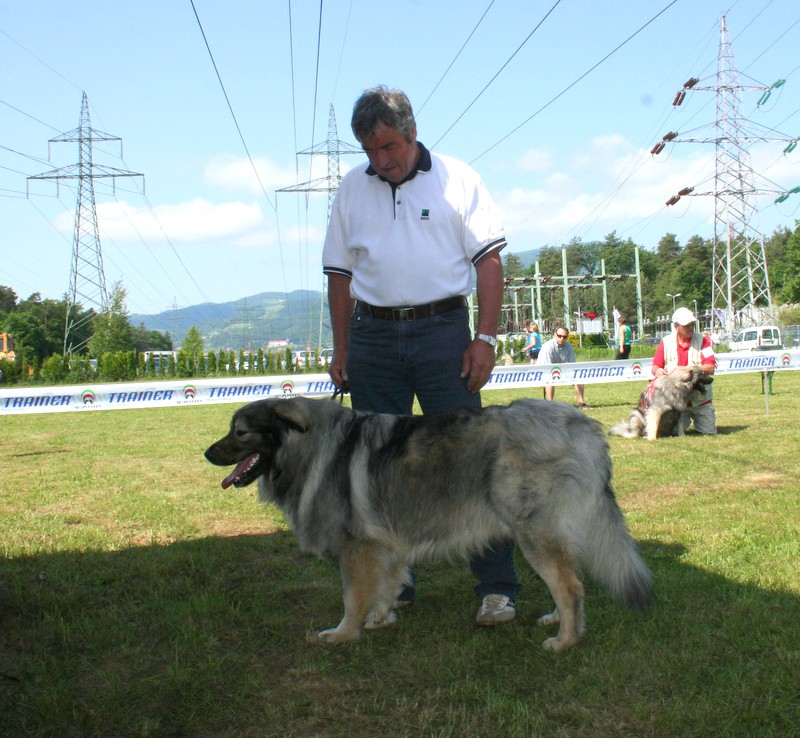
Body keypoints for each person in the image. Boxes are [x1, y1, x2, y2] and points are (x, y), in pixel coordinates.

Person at [322, 86, 519, 626]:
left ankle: (497, 588)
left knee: (470, 459)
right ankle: (392, 592)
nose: (381, 160)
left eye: (389, 147)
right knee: (378, 472)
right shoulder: (349, 190)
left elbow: (490, 264)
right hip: (374, 340)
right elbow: (339, 275)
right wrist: (342, 347)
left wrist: (486, 338)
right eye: (369, 151)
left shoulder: (460, 178)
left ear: (412, 133)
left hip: (444, 335)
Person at [652, 307, 717, 434]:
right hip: (676, 403)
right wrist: (657, 371)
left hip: (700, 400)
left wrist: (688, 369)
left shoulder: (704, 341)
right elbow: (655, 366)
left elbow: (710, 368)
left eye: (692, 324)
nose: (690, 328)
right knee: (671, 433)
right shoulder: (665, 342)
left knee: (708, 433)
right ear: (676, 327)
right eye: (686, 325)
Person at [538, 327, 588, 408]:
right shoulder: (548, 347)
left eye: (564, 337)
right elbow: (547, 367)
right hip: (545, 372)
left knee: (578, 377)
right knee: (549, 379)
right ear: (554, 334)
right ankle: (550, 405)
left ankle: (581, 403)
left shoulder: (569, 346)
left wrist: (574, 374)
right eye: (559, 336)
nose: (562, 338)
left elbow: (572, 365)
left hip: (561, 371)